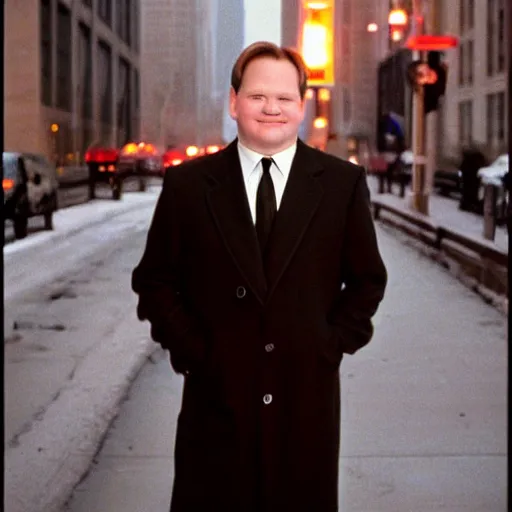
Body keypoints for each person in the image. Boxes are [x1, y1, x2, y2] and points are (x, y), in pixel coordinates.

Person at [132, 41, 387, 512]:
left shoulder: (340, 185)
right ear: (234, 102)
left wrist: (328, 346)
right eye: (257, 96)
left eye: (285, 98)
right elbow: (155, 281)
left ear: (301, 106)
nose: (272, 108)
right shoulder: (188, 186)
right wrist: (195, 351)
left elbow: (368, 280)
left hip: (304, 408)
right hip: (216, 407)